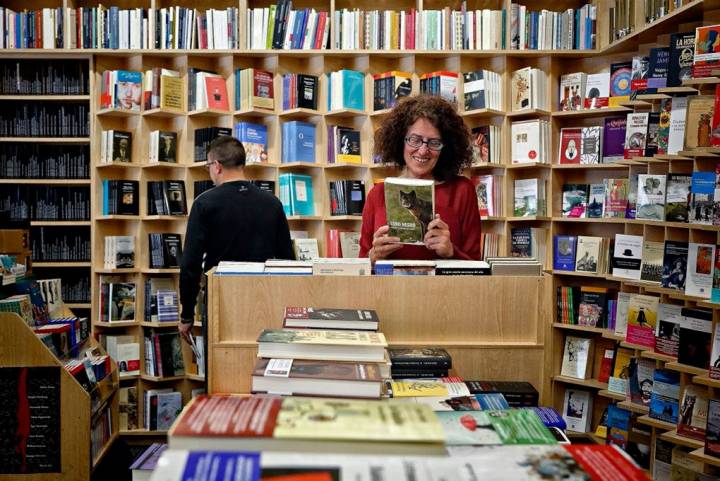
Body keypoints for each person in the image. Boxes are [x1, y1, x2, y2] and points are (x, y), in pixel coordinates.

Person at [179, 137, 294, 346]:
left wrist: (187, 315)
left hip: (221, 302)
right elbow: (288, 261)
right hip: (265, 300)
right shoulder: (272, 203)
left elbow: (190, 265)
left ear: (217, 166)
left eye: (208, 166)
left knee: (219, 366)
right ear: (243, 164)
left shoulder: (204, 204)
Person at [359, 95, 481, 262]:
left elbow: (476, 266)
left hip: (444, 288)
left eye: (434, 143)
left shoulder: (462, 191)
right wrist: (373, 255)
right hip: (389, 287)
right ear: (400, 141)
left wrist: (451, 251)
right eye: (414, 140)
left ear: (445, 148)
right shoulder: (377, 194)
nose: (423, 151)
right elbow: (361, 265)